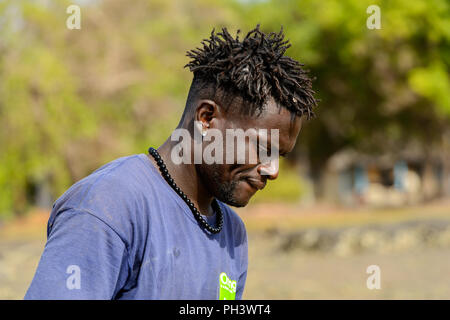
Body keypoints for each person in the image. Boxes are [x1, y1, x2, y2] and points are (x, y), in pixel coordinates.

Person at [25, 25, 317, 299]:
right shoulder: (109, 206)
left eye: (279, 155)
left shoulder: (232, 234)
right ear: (207, 119)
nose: (273, 170)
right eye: (261, 147)